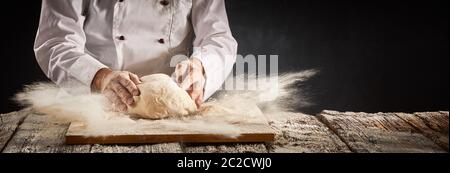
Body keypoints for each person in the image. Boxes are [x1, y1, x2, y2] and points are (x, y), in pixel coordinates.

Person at [34, 0, 237, 111]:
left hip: (172, 109)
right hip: (95, 107)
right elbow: (55, 42)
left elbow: (218, 38)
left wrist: (201, 66)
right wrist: (100, 77)